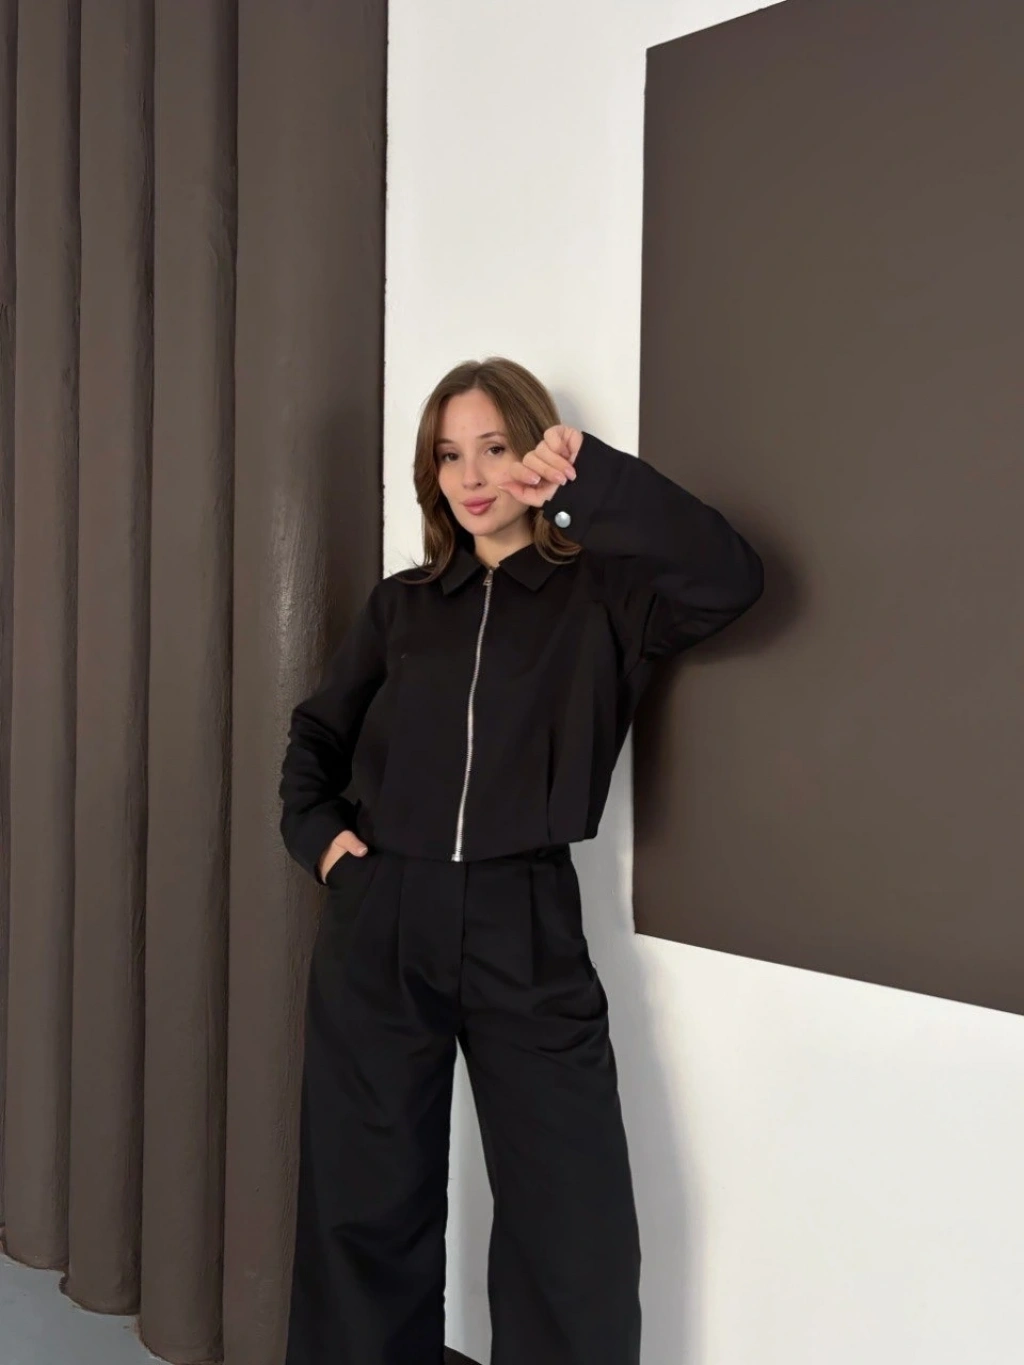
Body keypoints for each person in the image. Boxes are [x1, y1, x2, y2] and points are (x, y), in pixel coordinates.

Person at [279, 356, 763, 1365]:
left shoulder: (606, 598)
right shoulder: (403, 606)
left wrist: (594, 480)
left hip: (525, 915)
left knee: (572, 1224)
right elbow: (316, 736)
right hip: (382, 915)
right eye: (448, 454)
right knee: (362, 1207)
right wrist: (324, 844)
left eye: (494, 447)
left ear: (536, 453)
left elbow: (730, 579)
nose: (471, 475)